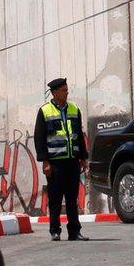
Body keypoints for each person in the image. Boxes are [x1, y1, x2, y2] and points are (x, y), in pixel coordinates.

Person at [34, 78, 89, 241]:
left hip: (72, 161)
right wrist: (45, 161)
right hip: (55, 163)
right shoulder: (45, 111)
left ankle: (74, 231)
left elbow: (79, 134)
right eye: (64, 90)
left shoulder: (74, 109)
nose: (66, 93)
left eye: (67, 90)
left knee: (72, 199)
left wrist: (83, 158)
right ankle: (55, 230)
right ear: (55, 92)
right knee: (55, 198)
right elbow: (39, 138)